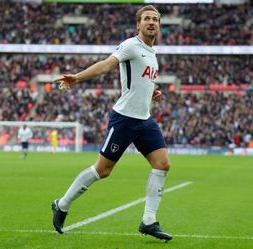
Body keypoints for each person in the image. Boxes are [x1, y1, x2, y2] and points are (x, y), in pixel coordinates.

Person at [51, 5, 172, 241]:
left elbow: (139, 83)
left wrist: (152, 93)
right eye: (146, 19)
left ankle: (148, 221)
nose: (151, 22)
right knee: (102, 170)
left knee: (163, 164)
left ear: (158, 25)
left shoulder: (152, 52)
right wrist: (76, 77)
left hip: (144, 120)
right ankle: (62, 204)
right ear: (138, 24)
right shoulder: (130, 45)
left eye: (155, 19)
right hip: (125, 119)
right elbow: (107, 65)